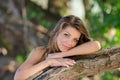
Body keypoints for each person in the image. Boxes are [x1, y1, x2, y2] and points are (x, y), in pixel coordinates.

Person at [14, 15, 101, 80]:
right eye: (66, 35)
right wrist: (49, 62)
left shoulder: (75, 52)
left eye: (75, 39)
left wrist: (60, 55)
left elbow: (96, 45)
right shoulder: (40, 52)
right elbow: (18, 77)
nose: (70, 43)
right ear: (57, 32)